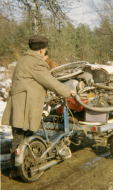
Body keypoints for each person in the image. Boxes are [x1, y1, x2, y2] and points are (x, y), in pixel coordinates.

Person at [1, 35, 76, 178]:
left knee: (17, 137)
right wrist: (68, 91)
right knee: (25, 136)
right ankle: (24, 168)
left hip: (17, 104)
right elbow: (50, 82)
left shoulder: (23, 60)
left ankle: (15, 169)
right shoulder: (36, 63)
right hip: (25, 105)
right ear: (42, 50)